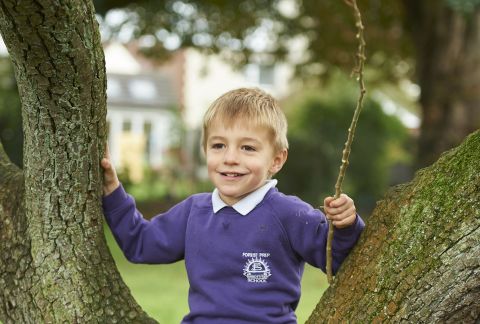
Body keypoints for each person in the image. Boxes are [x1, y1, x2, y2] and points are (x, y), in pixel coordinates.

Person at [101, 88, 365, 323]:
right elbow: (140, 244)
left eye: (248, 148)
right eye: (218, 145)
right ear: (206, 151)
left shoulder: (290, 214)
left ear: (276, 160)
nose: (230, 158)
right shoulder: (194, 211)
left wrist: (346, 223)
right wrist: (113, 193)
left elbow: (339, 259)